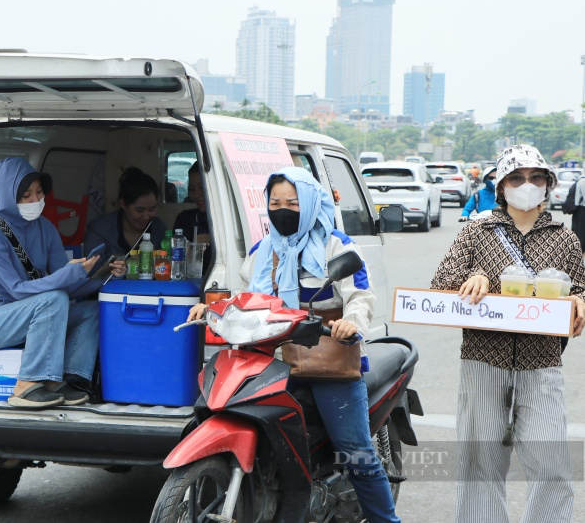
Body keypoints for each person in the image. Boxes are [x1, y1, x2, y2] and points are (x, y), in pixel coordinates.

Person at [188, 167, 401, 523]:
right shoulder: (262, 250)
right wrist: (212, 308)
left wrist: (351, 322)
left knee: (355, 452)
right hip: (272, 358)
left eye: (292, 202)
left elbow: (361, 295)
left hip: (327, 361)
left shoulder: (336, 245)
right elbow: (245, 298)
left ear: (310, 203)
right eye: (275, 202)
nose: (283, 209)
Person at [430, 144, 585, 523]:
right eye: (516, 178)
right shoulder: (476, 233)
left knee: (551, 466)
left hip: (542, 362)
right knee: (480, 464)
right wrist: (473, 277)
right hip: (484, 359)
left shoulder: (564, 240)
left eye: (535, 178)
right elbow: (439, 287)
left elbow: (580, 286)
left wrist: (582, 299)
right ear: (500, 187)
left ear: (548, 185)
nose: (526, 185)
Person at [0, 158, 126, 409]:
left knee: (92, 309)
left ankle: (69, 378)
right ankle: (25, 384)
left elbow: (66, 284)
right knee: (54, 299)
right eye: (26, 195)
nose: (34, 200)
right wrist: (69, 274)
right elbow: (17, 290)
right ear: (8, 196)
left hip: (29, 313)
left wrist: (104, 275)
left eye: (39, 193)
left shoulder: (45, 227)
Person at [84, 167, 166, 259]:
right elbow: (93, 270)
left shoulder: (158, 228)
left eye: (152, 209)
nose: (146, 217)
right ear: (123, 204)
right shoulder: (100, 229)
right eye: (139, 210)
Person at [173, 162, 211, 267]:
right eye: (192, 189)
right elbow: (175, 262)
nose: (196, 195)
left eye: (202, 187)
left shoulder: (229, 220)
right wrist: (191, 246)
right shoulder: (185, 219)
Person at [562, 173, 585, 253]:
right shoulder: (583, 181)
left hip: (580, 211)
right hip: (581, 210)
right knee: (580, 234)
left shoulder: (581, 180)